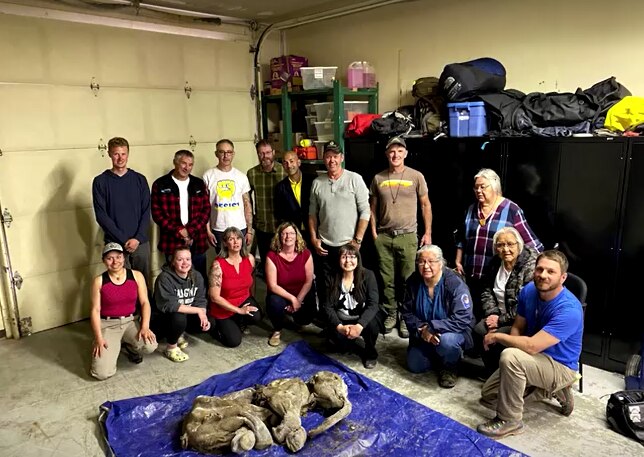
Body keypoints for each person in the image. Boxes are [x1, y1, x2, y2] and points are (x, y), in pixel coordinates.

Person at [477, 250, 583, 438]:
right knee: (489, 396)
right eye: (539, 269)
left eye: (551, 271)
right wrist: (516, 356)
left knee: (510, 357)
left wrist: (497, 337)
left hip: (559, 365)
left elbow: (532, 346)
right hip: (532, 356)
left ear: (563, 277)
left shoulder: (569, 310)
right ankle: (544, 388)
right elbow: (518, 326)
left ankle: (510, 420)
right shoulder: (529, 290)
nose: (543, 275)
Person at [455, 168, 543, 317]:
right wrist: (458, 261)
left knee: (490, 316)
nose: (478, 191)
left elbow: (533, 244)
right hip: (470, 275)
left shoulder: (511, 210)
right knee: (470, 316)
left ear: (494, 186)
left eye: (483, 187)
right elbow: (462, 238)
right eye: (476, 187)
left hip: (495, 279)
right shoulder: (471, 209)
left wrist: (531, 270)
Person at [369, 136, 433, 337]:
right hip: (384, 237)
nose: (395, 155)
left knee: (408, 279)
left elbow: (425, 205)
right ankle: (391, 312)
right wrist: (374, 232)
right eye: (391, 151)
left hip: (408, 236)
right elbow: (372, 208)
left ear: (405, 153)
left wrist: (428, 232)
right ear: (386, 154)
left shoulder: (416, 176)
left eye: (399, 151)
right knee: (386, 278)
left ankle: (406, 315)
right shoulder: (378, 178)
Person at [401, 245, 474, 388]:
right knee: (415, 365)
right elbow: (406, 312)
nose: (426, 266)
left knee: (447, 342)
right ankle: (439, 356)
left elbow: (463, 317)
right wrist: (422, 329)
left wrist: (434, 327)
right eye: (421, 262)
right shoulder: (413, 281)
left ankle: (450, 367)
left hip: (451, 332)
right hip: (424, 332)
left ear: (441, 263)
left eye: (431, 261)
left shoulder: (454, 283)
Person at [308, 141, 370, 304]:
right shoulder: (317, 183)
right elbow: (312, 214)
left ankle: (351, 314)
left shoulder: (355, 179)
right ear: (324, 159)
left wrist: (357, 240)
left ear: (341, 158)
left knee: (351, 284)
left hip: (348, 244)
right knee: (325, 285)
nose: (332, 160)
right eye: (328, 157)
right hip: (324, 246)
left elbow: (365, 211)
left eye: (335, 156)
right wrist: (314, 238)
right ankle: (327, 315)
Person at [474, 226, 538, 375]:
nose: (505, 249)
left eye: (510, 244)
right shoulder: (495, 262)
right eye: (500, 245)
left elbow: (527, 303)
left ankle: (507, 373)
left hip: (520, 320)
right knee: (479, 330)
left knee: (501, 336)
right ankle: (493, 372)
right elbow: (486, 290)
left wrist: (500, 320)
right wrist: (492, 314)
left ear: (519, 245)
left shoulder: (530, 266)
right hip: (497, 315)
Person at [89, 242, 157, 380]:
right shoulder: (99, 281)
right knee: (101, 373)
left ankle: (128, 345)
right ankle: (112, 345)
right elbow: (95, 310)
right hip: (108, 324)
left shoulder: (136, 275)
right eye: (110, 258)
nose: (115, 262)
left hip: (130, 321)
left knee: (150, 345)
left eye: (118, 257)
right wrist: (99, 337)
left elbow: (145, 302)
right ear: (103, 261)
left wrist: (145, 327)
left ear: (124, 257)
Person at [92, 137, 151, 283]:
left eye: (123, 154)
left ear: (128, 154)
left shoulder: (140, 180)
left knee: (143, 283)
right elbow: (101, 215)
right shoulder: (100, 181)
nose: (120, 158)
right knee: (121, 284)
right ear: (109, 154)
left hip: (140, 243)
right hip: (116, 244)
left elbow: (146, 211)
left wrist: (137, 238)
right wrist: (124, 240)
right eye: (116, 154)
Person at [151, 150, 211, 282]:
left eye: (190, 164)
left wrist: (189, 231)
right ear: (175, 163)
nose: (187, 168)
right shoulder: (160, 184)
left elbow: (206, 210)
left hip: (197, 241)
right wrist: (179, 231)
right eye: (183, 163)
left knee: (199, 279)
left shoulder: (198, 184)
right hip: (172, 241)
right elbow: (157, 213)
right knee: (174, 280)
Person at [321, 243, 383, 369]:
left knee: (373, 324)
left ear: (358, 259)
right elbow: (327, 306)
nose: (348, 261)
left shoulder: (368, 275)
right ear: (338, 259)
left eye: (352, 257)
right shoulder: (331, 277)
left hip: (362, 319)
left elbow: (373, 304)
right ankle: (346, 339)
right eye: (344, 257)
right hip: (342, 320)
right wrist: (339, 327)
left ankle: (370, 352)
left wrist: (359, 326)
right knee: (340, 347)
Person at [152, 246, 210, 363]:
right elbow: (171, 305)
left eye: (188, 259)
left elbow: (200, 300)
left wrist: (203, 315)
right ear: (173, 262)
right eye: (180, 259)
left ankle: (180, 332)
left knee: (211, 322)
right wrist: (198, 311)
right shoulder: (164, 278)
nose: (185, 263)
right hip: (164, 319)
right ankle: (171, 347)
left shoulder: (196, 276)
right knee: (179, 317)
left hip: (186, 316)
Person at [207, 226, 262, 348]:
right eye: (231, 239)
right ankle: (215, 327)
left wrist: (252, 300)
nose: (236, 242)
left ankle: (238, 321)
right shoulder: (217, 265)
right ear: (225, 243)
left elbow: (251, 281)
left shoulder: (250, 258)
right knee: (233, 342)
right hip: (223, 307)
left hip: (243, 299)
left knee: (257, 316)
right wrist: (239, 311)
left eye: (238, 238)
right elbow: (214, 297)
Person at [265, 222, 315, 347]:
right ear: (279, 236)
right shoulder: (272, 256)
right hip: (280, 293)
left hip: (300, 292)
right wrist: (293, 299)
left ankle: (294, 316)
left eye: (292, 233)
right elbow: (272, 286)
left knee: (306, 319)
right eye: (285, 233)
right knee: (275, 302)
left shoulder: (306, 253)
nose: (288, 236)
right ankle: (277, 329)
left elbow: (308, 281)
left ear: (297, 236)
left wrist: (298, 300)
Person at [203, 139, 253, 249]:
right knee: (222, 258)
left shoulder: (241, 177)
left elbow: (247, 204)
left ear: (233, 154)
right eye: (222, 152)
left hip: (240, 228)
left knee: (240, 258)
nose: (226, 156)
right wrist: (208, 231)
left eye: (229, 152)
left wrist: (249, 231)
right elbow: (204, 207)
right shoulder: (208, 176)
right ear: (216, 154)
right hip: (219, 229)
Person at [247, 140, 287, 272]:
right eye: (261, 153)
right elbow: (247, 200)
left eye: (268, 152)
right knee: (267, 263)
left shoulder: (283, 171)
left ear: (274, 153)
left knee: (283, 262)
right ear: (257, 154)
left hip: (281, 226)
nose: (265, 156)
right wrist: (251, 220)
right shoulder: (252, 173)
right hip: (262, 226)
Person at [274, 151, 314, 245]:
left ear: (298, 162)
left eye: (291, 161)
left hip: (314, 232)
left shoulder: (312, 181)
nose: (289, 165)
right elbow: (279, 214)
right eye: (285, 162)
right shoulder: (280, 187)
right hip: (293, 235)